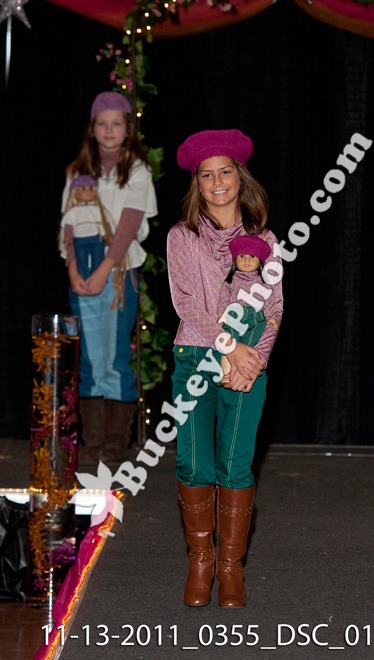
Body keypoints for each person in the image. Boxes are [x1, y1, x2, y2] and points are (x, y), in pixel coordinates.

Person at [167, 129, 283, 608]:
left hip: (247, 364)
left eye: (225, 172)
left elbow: (274, 308)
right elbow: (187, 304)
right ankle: (201, 562)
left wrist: (254, 360)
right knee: (194, 462)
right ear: (197, 182)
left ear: (240, 177)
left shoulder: (266, 239)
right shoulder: (182, 236)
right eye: (206, 175)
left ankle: (231, 567)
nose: (217, 182)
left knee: (235, 464)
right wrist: (229, 347)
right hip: (195, 357)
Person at [60, 91, 157, 463]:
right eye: (102, 123)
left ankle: (116, 442)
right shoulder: (77, 172)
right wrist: (73, 269)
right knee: (88, 357)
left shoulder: (137, 171)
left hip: (118, 269)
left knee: (115, 356)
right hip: (82, 269)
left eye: (117, 123)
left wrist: (105, 269)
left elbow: (129, 224)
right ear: (92, 128)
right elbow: (68, 227)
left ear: (128, 128)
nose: (109, 129)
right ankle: (92, 441)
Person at [217, 234, 279, 385]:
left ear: (260, 261)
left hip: (256, 318)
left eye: (252, 256)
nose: (246, 260)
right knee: (229, 345)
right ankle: (226, 372)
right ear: (235, 260)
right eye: (242, 256)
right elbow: (223, 297)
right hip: (233, 315)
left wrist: (271, 317)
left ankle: (243, 374)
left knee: (251, 345)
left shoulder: (264, 283)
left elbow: (269, 300)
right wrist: (221, 313)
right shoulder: (231, 280)